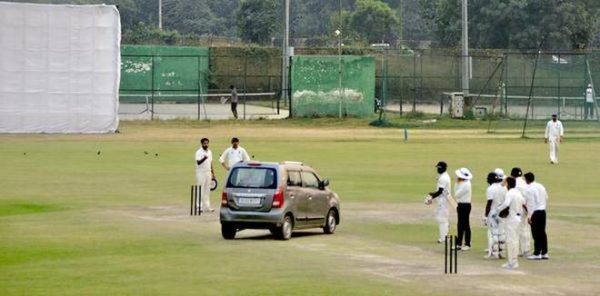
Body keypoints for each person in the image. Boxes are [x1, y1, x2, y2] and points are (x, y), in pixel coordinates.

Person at [492, 177, 523, 269]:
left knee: (510, 240)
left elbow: (506, 204)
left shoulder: (510, 193)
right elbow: (523, 202)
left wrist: (498, 209)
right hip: (518, 217)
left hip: (511, 218)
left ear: (508, 184)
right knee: (515, 240)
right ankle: (514, 261)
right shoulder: (518, 192)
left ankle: (511, 263)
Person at [424, 161, 451, 243]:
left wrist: (431, 197)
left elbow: (440, 191)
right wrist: (432, 195)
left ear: (443, 168)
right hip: (443, 200)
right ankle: (445, 235)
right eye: (437, 168)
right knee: (441, 218)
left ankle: (444, 238)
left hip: (443, 201)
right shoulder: (443, 176)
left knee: (442, 219)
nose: (437, 170)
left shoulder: (443, 178)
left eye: (439, 168)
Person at [524, 172, 549, 260]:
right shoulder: (541, 186)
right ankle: (544, 252)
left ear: (527, 179)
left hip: (535, 212)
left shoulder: (529, 189)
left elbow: (531, 204)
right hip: (543, 211)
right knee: (542, 232)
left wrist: (529, 216)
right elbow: (546, 197)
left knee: (536, 233)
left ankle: (537, 253)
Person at [484, 171, 507, 259]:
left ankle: (494, 253)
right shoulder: (503, 187)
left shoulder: (490, 189)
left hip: (493, 212)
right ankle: (502, 252)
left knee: (494, 233)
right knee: (501, 232)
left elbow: (489, 203)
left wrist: (485, 216)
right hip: (502, 212)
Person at [511, 167, 531, 257]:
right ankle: (526, 249)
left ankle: (522, 250)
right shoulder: (524, 182)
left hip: (520, 208)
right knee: (525, 228)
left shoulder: (515, 183)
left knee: (519, 229)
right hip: (527, 207)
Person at [454, 167, 473, 251]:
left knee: (465, 224)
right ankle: (459, 243)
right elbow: (455, 192)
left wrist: (458, 185)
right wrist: (457, 184)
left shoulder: (467, 184)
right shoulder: (461, 183)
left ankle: (467, 244)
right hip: (460, 205)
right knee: (460, 224)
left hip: (465, 205)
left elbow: (457, 194)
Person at [195, 138, 215, 212]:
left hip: (208, 172)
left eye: (207, 143)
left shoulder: (209, 152)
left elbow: (210, 163)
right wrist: (204, 157)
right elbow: (198, 162)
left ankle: (207, 206)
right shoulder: (198, 152)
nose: (206, 144)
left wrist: (213, 173)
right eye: (204, 143)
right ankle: (199, 206)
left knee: (207, 189)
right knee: (200, 189)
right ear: (202, 144)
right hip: (200, 172)